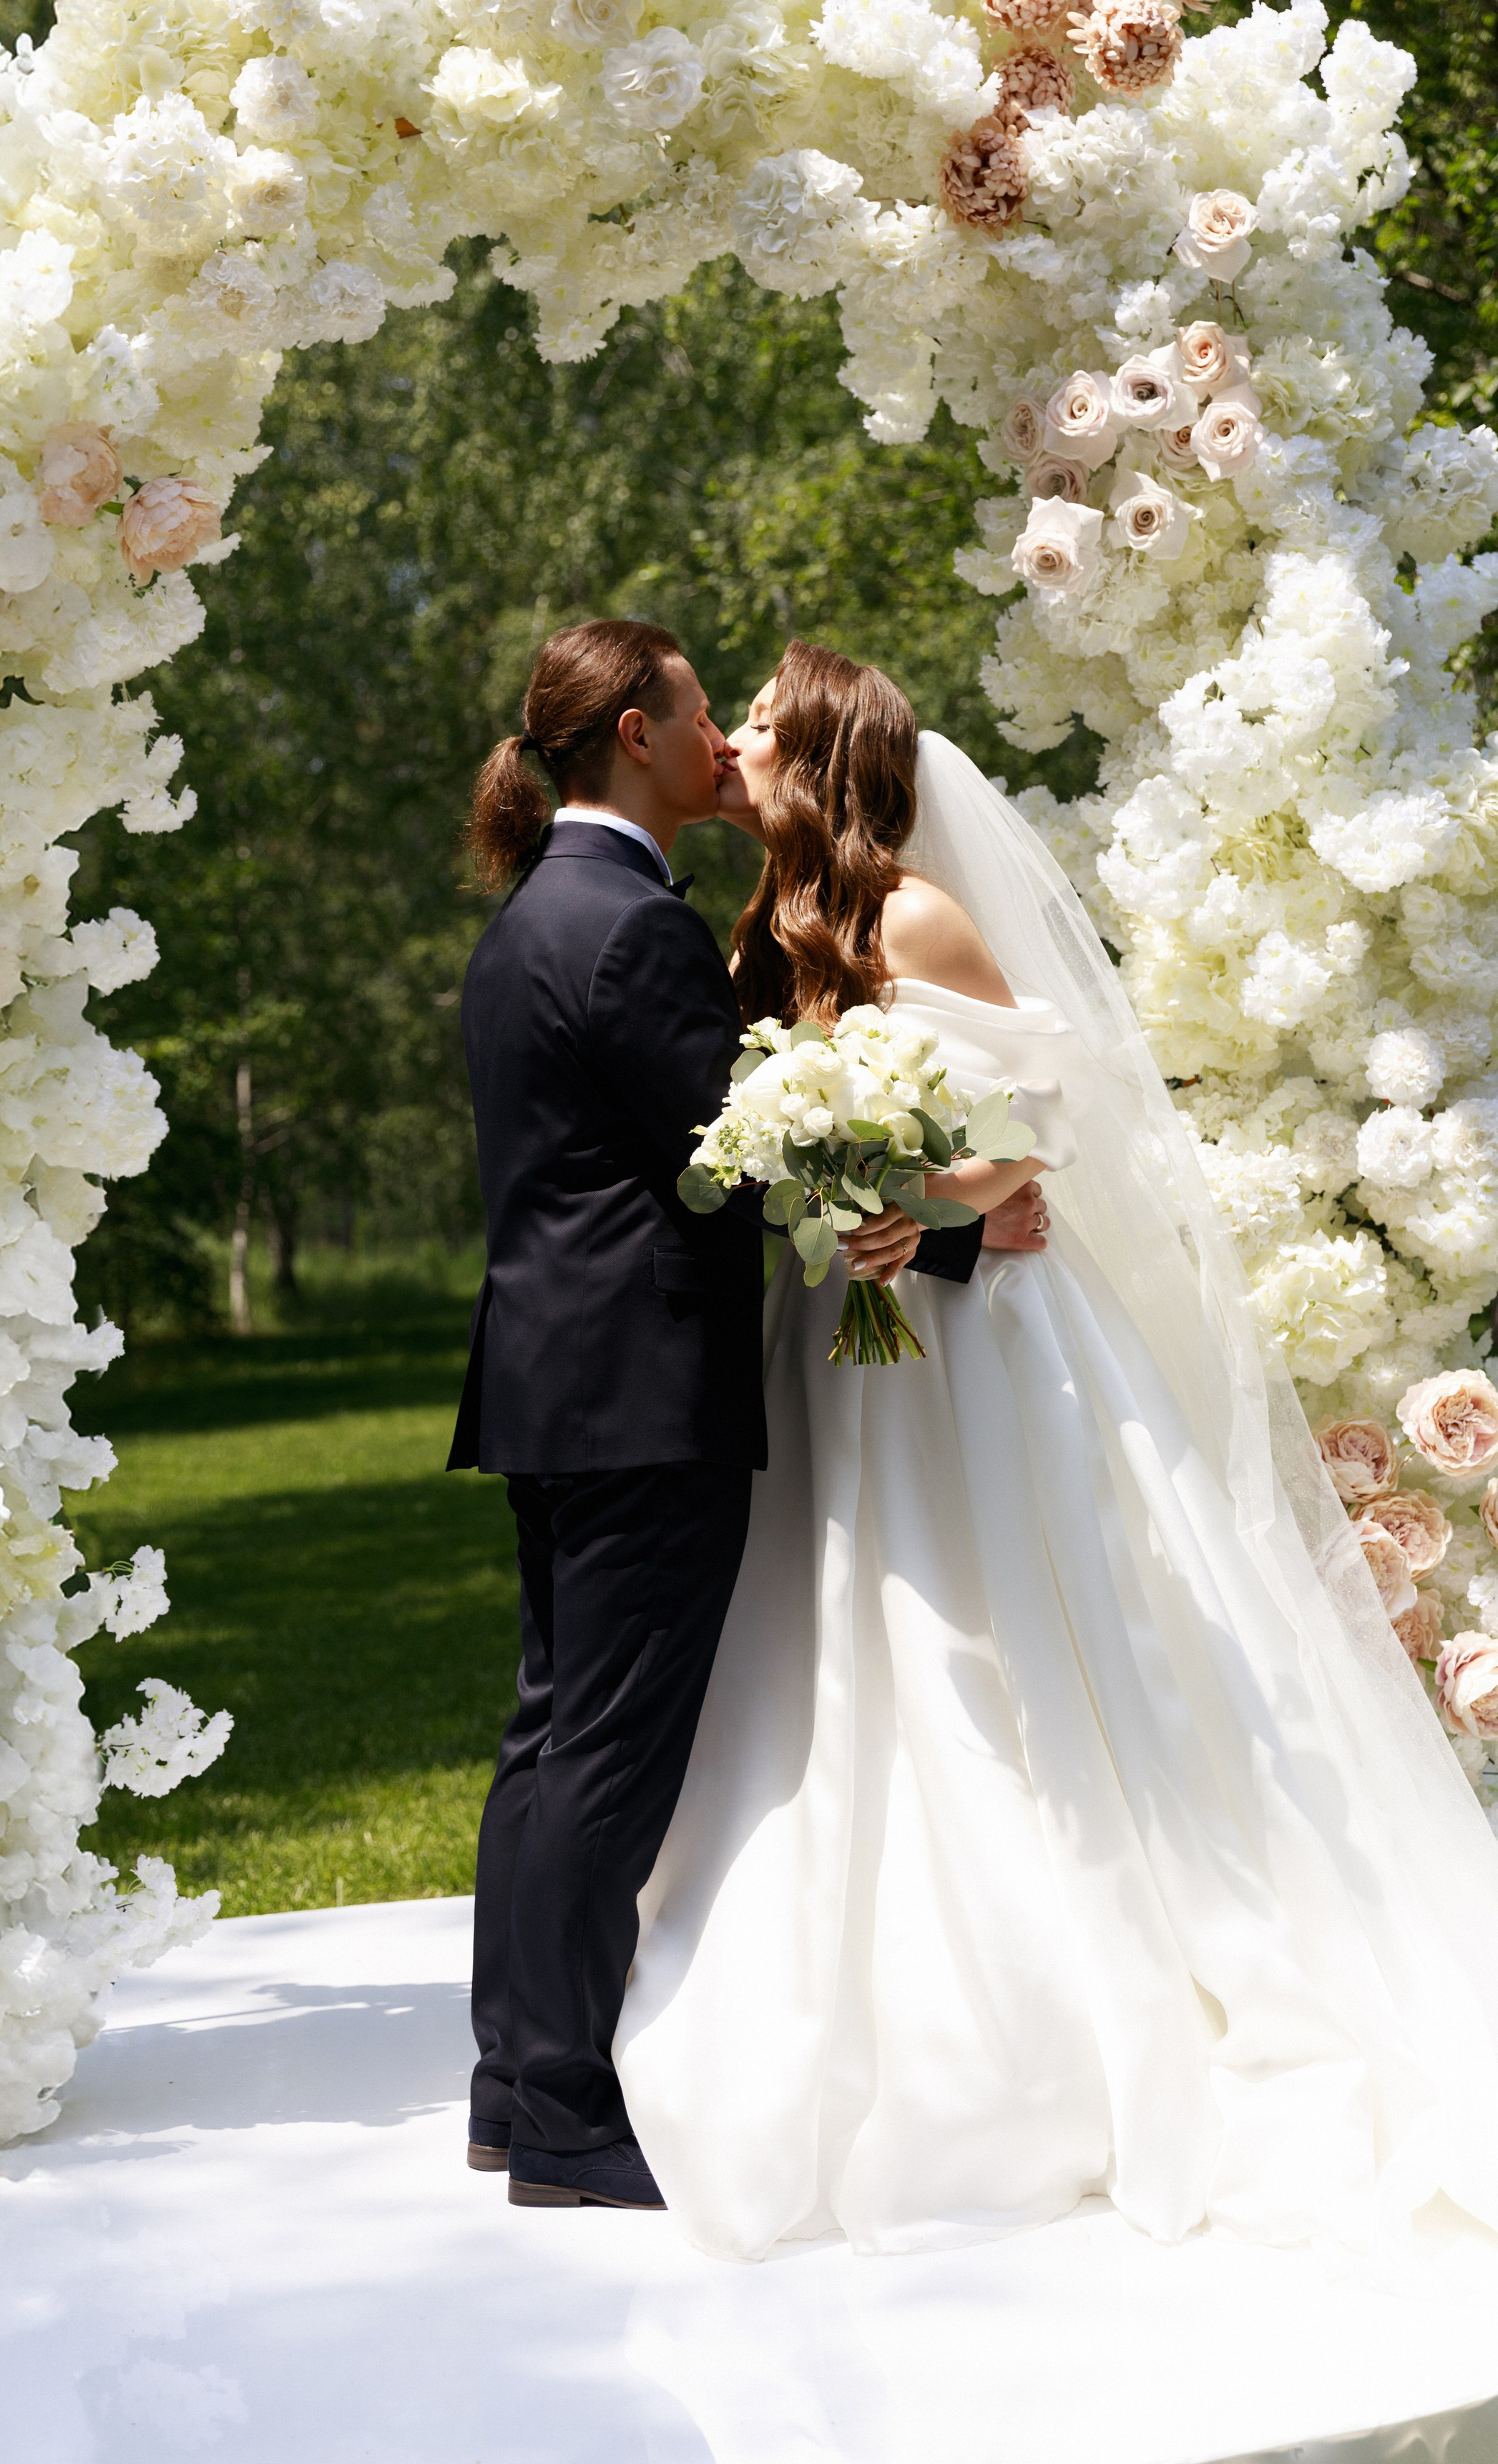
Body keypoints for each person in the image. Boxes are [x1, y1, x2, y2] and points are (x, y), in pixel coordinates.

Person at [612, 640, 1498, 2420]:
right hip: (849, 1345)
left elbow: (1034, 1150)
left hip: (982, 1355)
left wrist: (912, 1202)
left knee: (1012, 1636)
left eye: (754, 720)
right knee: (847, 1630)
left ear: (822, 758)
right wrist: (848, 1204)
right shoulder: (766, 931)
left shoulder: (916, 922)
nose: (731, 740)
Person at [447, 620, 1044, 2211]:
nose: (724, 742)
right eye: (704, 716)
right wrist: (971, 1227)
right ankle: (568, 2115)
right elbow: (745, 1153)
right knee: (606, 1756)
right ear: (634, 732)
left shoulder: (534, 918)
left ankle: (512, 2081)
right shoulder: (632, 928)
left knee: (549, 1737)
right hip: (644, 1395)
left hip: (550, 1384)